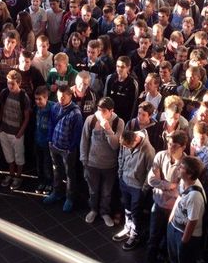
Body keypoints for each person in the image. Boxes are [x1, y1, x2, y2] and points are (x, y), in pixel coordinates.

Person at [131, 130, 188, 263]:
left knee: (167, 240)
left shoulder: (186, 165)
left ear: (183, 147)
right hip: (158, 204)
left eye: (175, 145)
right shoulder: (160, 156)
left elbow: (180, 192)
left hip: (173, 210)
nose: (171, 147)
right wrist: (170, 185)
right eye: (169, 144)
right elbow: (151, 180)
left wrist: (163, 185)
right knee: (153, 237)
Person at [166, 155, 206, 263]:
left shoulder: (195, 195)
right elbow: (179, 198)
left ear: (189, 173)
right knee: (173, 255)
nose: (178, 168)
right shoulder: (184, 182)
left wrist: (184, 241)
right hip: (175, 226)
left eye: (182, 167)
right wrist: (170, 220)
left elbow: (192, 220)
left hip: (185, 234)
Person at [80, 97, 124, 226]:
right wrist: (84, 160)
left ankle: (104, 212)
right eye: (99, 110)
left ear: (111, 111)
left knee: (106, 193)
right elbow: (84, 140)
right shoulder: (91, 119)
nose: (100, 113)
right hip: (92, 163)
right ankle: (93, 209)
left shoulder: (118, 122)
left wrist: (108, 129)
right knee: (93, 191)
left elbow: (116, 145)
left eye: (104, 111)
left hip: (110, 165)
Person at [113, 129, 156, 251]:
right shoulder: (126, 141)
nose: (124, 147)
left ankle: (135, 235)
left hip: (137, 187)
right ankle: (127, 227)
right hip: (124, 181)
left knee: (136, 212)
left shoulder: (148, 151)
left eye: (127, 146)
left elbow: (150, 172)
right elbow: (121, 157)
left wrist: (144, 189)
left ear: (135, 140)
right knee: (126, 208)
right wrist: (120, 173)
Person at [44, 85, 83, 212]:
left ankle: (70, 198)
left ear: (70, 96)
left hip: (67, 150)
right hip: (54, 145)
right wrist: (50, 140)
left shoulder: (76, 113)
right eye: (59, 97)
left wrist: (71, 148)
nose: (61, 99)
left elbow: (77, 134)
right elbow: (51, 123)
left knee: (70, 174)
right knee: (56, 170)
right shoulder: (55, 107)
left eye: (63, 97)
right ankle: (57, 192)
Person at [0, 70, 31, 190]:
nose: (10, 86)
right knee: (9, 155)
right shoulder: (4, 93)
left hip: (17, 132)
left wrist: (20, 132)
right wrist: (1, 127)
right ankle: (11, 174)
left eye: (13, 83)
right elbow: (2, 109)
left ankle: (18, 176)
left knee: (19, 156)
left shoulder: (24, 97)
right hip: (5, 130)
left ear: (19, 83)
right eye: (8, 83)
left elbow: (27, 116)